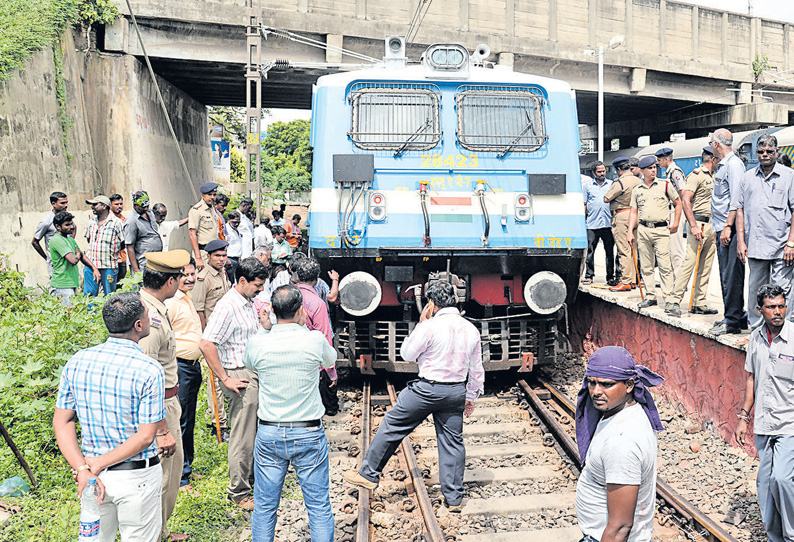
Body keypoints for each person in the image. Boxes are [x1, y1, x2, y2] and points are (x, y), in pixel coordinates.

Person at [344, 280, 484, 512]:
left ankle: (368, 474)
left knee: (392, 425)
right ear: (454, 301)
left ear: (432, 303)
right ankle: (455, 499)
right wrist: (471, 396)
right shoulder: (471, 328)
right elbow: (477, 369)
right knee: (452, 442)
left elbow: (407, 354)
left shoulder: (429, 327)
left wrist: (419, 325)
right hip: (455, 391)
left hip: (426, 390)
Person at [53, 292, 174, 542]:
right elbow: (144, 437)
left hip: (91, 478)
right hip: (135, 478)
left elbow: (62, 421)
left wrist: (84, 467)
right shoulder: (149, 370)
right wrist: (96, 464)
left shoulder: (77, 361)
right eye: (147, 315)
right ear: (138, 326)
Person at [243, 284, 337, 542]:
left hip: (270, 431)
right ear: (301, 311)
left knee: (264, 507)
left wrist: (266, 330)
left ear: (272, 310)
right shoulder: (314, 339)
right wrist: (304, 327)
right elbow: (330, 360)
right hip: (308, 432)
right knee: (318, 507)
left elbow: (248, 362)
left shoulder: (257, 342)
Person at [574, 346, 664, 542]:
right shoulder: (624, 412)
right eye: (592, 383)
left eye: (607, 384)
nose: (596, 391)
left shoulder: (621, 443)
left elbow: (621, 526)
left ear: (630, 385)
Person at [199, 257, 268, 511]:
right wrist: (225, 378)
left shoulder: (247, 302)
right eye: (257, 285)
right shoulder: (228, 306)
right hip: (239, 374)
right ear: (242, 281)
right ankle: (238, 491)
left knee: (254, 431)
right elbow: (206, 344)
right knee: (243, 434)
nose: (261, 289)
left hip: (251, 371)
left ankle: (250, 481)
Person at [138, 250, 191, 542]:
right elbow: (145, 376)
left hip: (168, 402)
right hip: (159, 408)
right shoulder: (150, 318)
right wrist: (160, 429)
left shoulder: (154, 308)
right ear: (170, 281)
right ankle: (154, 534)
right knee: (164, 474)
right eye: (181, 277)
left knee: (170, 470)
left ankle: (161, 529)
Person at [735, 284, 794, 542]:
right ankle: (775, 537)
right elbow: (752, 380)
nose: (778, 311)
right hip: (763, 425)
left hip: (789, 424)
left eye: (781, 306)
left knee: (782, 479)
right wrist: (743, 417)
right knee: (765, 484)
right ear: (760, 310)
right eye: (771, 307)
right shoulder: (756, 338)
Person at [735, 134, 794, 329]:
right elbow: (740, 210)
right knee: (756, 291)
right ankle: (758, 331)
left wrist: (791, 243)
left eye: (769, 151)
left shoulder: (789, 176)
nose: (765, 155)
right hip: (756, 245)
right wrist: (741, 241)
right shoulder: (747, 178)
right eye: (761, 152)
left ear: (777, 152)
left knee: (781, 292)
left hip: (782, 247)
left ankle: (784, 331)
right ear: (756, 153)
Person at [164, 258, 204, 493]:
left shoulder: (186, 298)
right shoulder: (171, 303)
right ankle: (181, 478)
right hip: (180, 367)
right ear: (174, 278)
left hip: (193, 365)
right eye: (184, 275)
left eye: (192, 273)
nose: (189, 278)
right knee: (181, 421)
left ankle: (186, 466)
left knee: (189, 419)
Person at [667, 147, 719, 317]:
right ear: (712, 159)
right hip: (699, 224)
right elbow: (685, 200)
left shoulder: (714, 176)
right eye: (718, 158)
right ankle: (674, 300)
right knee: (689, 262)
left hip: (711, 225)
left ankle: (699, 301)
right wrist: (694, 225)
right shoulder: (696, 175)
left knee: (706, 264)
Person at [627, 156, 681, 311]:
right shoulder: (637, 190)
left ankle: (669, 299)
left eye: (654, 167)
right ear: (642, 171)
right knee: (646, 265)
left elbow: (678, 203)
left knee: (665, 265)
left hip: (661, 230)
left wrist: (676, 223)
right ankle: (650, 295)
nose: (653, 170)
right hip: (644, 230)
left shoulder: (665, 185)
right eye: (649, 168)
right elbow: (633, 212)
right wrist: (630, 231)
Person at [709, 128, 749, 336]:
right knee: (726, 274)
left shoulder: (733, 166)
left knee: (731, 275)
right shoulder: (724, 165)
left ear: (716, 144)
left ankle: (732, 320)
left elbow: (737, 200)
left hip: (730, 229)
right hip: (722, 227)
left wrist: (727, 227)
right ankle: (735, 316)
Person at [192, 239, 232, 442]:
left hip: (224, 335)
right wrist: (206, 336)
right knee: (215, 380)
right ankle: (218, 423)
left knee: (224, 375)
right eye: (218, 256)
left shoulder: (223, 274)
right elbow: (198, 309)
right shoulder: (203, 278)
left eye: (224, 255)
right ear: (208, 256)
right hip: (211, 336)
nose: (222, 259)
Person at [294, 258, 339, 416]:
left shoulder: (287, 296)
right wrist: (331, 370)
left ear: (297, 275)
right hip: (313, 362)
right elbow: (325, 339)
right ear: (317, 277)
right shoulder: (317, 303)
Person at [604, 157, 642, 292]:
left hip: (623, 215)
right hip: (637, 215)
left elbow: (606, 198)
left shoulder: (620, 182)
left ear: (619, 170)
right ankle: (633, 281)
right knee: (634, 249)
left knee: (624, 249)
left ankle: (625, 281)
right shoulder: (639, 181)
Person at [50, 211, 100, 305]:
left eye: (71, 224)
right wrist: (77, 254)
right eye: (67, 225)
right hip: (62, 284)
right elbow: (73, 260)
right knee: (67, 315)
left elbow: (82, 256)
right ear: (58, 226)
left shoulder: (69, 240)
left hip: (71, 283)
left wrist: (94, 268)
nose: (71, 227)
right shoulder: (56, 240)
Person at [583, 161, 616, 286]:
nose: (602, 174)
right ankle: (589, 276)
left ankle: (610, 277)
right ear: (593, 173)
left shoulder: (611, 185)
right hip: (592, 224)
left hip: (608, 224)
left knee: (609, 252)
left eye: (603, 171)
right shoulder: (588, 186)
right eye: (599, 172)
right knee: (590, 251)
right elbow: (584, 204)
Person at [84, 195, 125, 297]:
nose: (92, 207)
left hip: (109, 266)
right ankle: (91, 313)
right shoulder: (91, 222)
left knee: (109, 296)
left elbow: (124, 243)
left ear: (104, 206)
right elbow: (89, 240)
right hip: (91, 265)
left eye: (95, 205)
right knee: (89, 296)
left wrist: (113, 252)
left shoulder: (117, 223)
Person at [655, 148, 687, 274]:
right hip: (672, 212)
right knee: (670, 249)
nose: (658, 163)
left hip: (676, 212)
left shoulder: (675, 172)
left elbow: (682, 193)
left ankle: (679, 281)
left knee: (676, 249)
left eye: (659, 160)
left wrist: (677, 219)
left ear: (666, 159)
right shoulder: (669, 172)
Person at [124, 191, 163, 274]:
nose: (146, 208)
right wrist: (135, 269)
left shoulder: (149, 212)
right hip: (143, 264)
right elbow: (130, 247)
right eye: (143, 207)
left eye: (147, 206)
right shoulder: (131, 221)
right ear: (135, 205)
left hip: (156, 261)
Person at [32, 191, 69, 278]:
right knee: (57, 287)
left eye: (66, 202)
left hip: (68, 259)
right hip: (55, 263)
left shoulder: (67, 218)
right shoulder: (46, 222)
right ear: (54, 204)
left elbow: (74, 228)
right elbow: (34, 242)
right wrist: (47, 258)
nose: (66, 205)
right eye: (62, 203)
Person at [188, 182, 220, 270]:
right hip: (203, 253)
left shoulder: (212, 209)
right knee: (201, 280)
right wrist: (198, 258)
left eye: (214, 195)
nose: (212, 197)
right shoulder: (197, 210)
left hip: (213, 253)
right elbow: (192, 234)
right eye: (209, 195)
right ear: (202, 195)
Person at [110, 194, 128, 281]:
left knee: (121, 284)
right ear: (110, 205)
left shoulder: (124, 219)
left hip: (122, 258)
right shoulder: (108, 220)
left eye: (121, 204)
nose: (119, 206)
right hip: (111, 259)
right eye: (116, 204)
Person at [225, 210, 244, 282]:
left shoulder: (236, 229)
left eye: (238, 222)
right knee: (230, 281)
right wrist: (226, 259)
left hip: (237, 259)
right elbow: (224, 245)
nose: (236, 224)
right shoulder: (226, 230)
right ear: (229, 220)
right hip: (230, 259)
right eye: (234, 222)